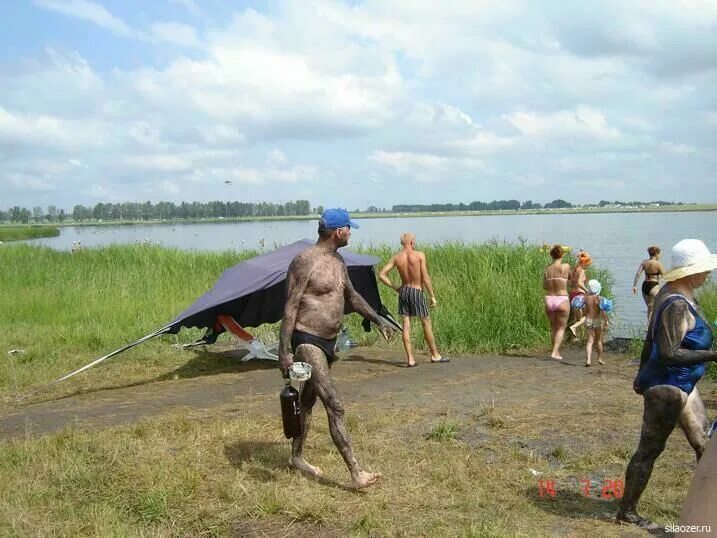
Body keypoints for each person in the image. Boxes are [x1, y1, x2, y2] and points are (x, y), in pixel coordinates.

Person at [278, 208, 396, 490]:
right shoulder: (304, 261)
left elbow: (352, 297)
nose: (351, 232)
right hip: (307, 340)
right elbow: (291, 306)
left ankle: (296, 457)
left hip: (330, 341)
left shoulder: (338, 260)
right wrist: (284, 350)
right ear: (337, 232)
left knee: (308, 401)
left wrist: (378, 319)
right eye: (348, 228)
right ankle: (356, 473)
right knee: (335, 404)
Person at [617, 239, 717, 529]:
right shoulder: (674, 304)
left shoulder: (672, 293)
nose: (708, 274)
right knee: (649, 450)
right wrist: (714, 355)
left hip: (684, 383)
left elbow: (649, 339)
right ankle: (627, 512)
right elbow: (670, 352)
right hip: (666, 388)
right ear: (688, 272)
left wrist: (638, 374)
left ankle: (706, 507)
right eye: (704, 269)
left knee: (704, 445)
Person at [378, 232, 447, 367]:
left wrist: (395, 287)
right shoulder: (419, 255)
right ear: (412, 242)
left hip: (404, 291)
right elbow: (425, 277)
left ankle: (410, 359)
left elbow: (381, 275)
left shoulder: (397, 257)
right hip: (417, 290)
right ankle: (435, 355)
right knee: (426, 322)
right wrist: (432, 295)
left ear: (402, 243)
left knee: (406, 324)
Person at [543, 244, 571, 360]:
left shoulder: (547, 270)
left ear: (551, 255)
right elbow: (570, 278)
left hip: (549, 299)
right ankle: (555, 352)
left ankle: (555, 351)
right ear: (562, 254)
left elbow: (544, 286)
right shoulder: (565, 266)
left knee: (553, 327)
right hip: (562, 298)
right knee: (561, 327)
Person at [632, 246, 665, 322]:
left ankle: (648, 326)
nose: (660, 256)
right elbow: (665, 276)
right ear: (656, 254)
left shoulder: (644, 262)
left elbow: (638, 274)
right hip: (654, 286)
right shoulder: (658, 264)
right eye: (659, 254)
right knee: (655, 308)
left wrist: (634, 286)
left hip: (645, 286)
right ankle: (652, 326)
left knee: (649, 308)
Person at [582, 279, 610, 367]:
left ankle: (588, 360)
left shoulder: (585, 298)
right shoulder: (600, 298)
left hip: (588, 320)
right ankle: (600, 359)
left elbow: (584, 310)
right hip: (597, 320)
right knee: (598, 340)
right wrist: (606, 321)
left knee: (589, 341)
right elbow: (603, 311)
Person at [568, 250, 592, 337]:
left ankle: (576, 336)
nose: (588, 266)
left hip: (572, 294)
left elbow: (569, 283)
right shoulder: (581, 271)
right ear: (584, 263)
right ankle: (581, 335)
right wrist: (587, 291)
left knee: (576, 317)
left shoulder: (574, 270)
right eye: (588, 264)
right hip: (579, 295)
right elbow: (579, 283)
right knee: (586, 315)